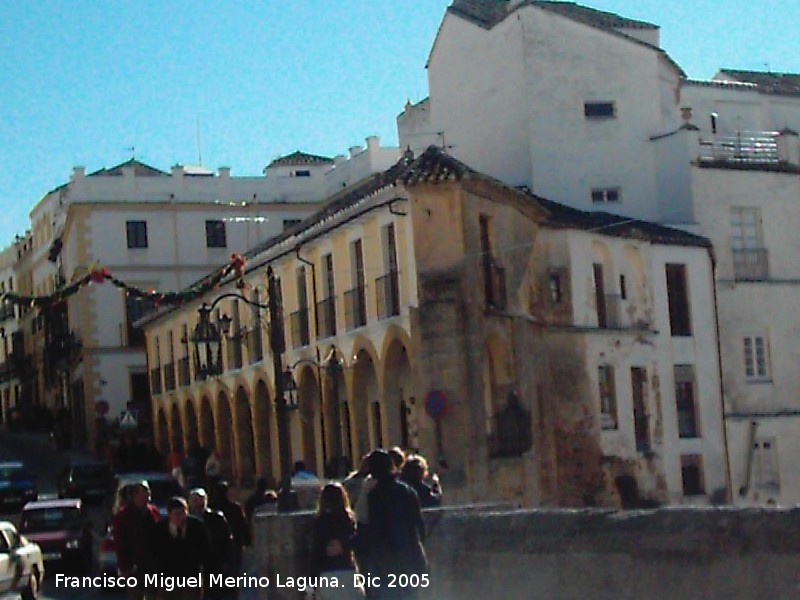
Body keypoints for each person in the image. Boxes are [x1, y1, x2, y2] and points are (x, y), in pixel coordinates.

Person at [359, 449, 427, 600]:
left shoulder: (373, 495)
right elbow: (420, 528)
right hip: (409, 557)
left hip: (382, 562)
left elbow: (364, 525)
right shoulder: (408, 491)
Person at [310, 483, 365, 599]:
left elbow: (316, 555)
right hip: (348, 573)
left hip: (327, 575)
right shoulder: (348, 520)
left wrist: (311, 587)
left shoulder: (319, 523)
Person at [152, 497, 211, 600]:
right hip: (167, 577)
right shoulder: (159, 529)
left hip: (190, 576)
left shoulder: (197, 526)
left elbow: (205, 550)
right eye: (177, 514)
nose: (181, 517)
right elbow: (154, 552)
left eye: (184, 513)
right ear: (169, 514)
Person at [112, 481, 161, 600]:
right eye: (144, 492)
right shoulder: (122, 517)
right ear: (134, 496)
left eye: (148, 491)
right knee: (136, 595)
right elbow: (119, 543)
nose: (148, 495)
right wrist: (124, 567)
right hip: (134, 566)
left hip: (153, 565)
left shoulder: (153, 512)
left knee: (154, 595)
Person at [189, 489, 233, 600]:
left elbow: (227, 540)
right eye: (194, 500)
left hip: (214, 561)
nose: (198, 502)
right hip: (193, 563)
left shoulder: (216, 518)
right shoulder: (187, 520)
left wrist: (226, 561)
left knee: (214, 592)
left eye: (200, 499)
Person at [211, 481, 249, 574]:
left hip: (217, 545)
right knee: (234, 571)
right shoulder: (235, 507)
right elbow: (243, 525)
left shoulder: (211, 508)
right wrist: (247, 540)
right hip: (234, 544)